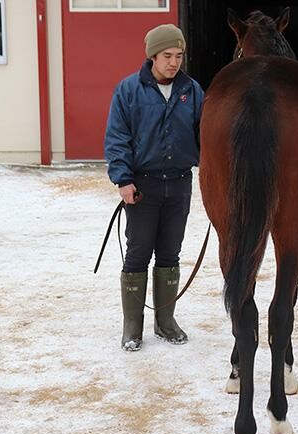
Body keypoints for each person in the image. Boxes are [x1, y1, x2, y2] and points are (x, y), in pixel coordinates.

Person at [104, 24, 204, 351]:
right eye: (167, 56)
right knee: (137, 254)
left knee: (169, 254)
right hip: (143, 187)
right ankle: (132, 327)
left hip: (179, 185)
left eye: (179, 56)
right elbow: (117, 138)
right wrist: (123, 179)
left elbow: (207, 136)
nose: (174, 63)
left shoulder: (192, 91)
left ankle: (166, 321)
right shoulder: (129, 90)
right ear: (152, 56)